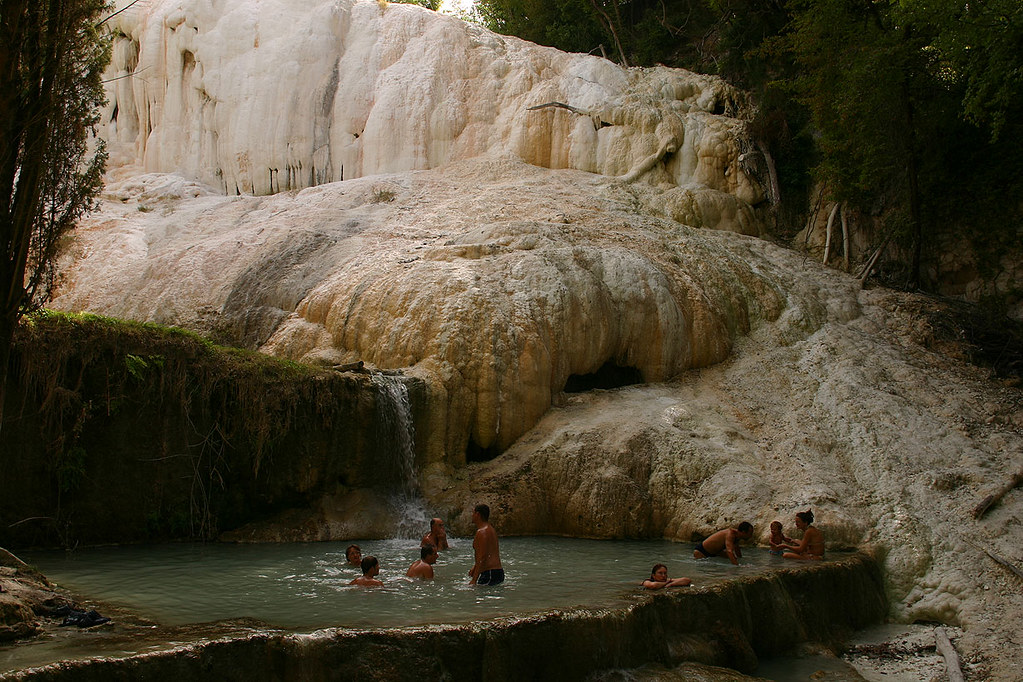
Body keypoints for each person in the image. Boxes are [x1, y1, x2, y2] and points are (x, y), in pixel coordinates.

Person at [468, 503, 503, 585]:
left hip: (489, 573)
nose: (472, 515)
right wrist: (475, 567)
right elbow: (487, 553)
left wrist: (474, 580)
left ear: (477, 514)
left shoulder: (481, 532)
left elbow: (482, 557)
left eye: (473, 513)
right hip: (497, 572)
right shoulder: (490, 529)